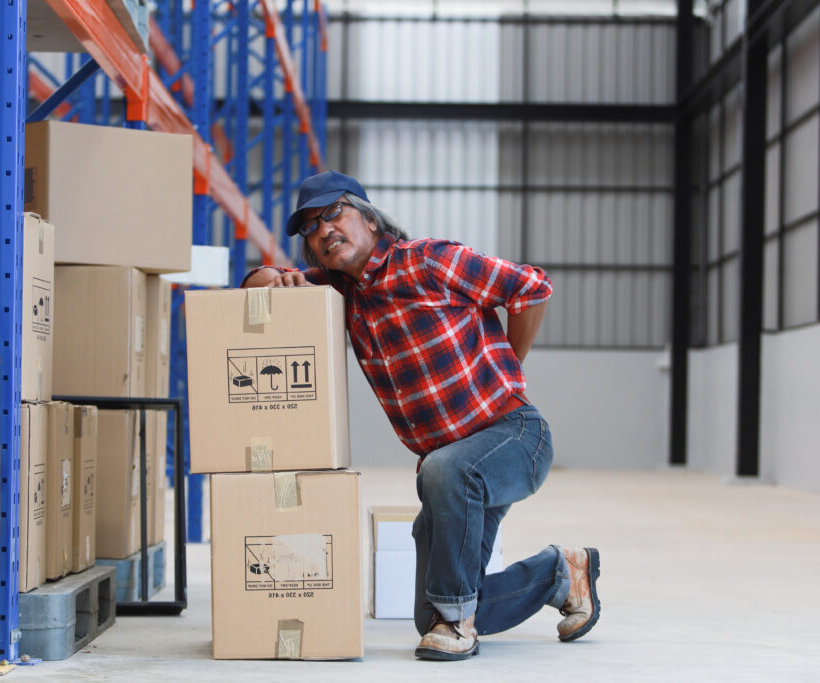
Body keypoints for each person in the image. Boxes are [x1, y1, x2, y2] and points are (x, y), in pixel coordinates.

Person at [241, 170, 600, 661]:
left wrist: (510, 368)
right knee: (433, 612)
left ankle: (457, 623)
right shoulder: (342, 292)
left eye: (332, 213)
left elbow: (531, 287)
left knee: (444, 478)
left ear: (368, 217)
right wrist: (270, 279)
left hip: (514, 435)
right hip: (453, 468)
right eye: (309, 227)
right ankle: (560, 573)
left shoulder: (428, 260)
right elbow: (254, 284)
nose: (322, 231)